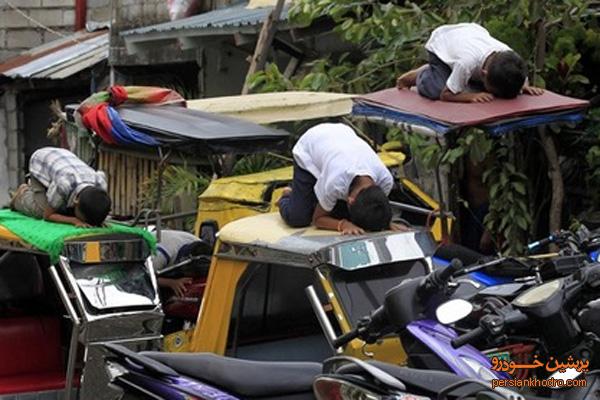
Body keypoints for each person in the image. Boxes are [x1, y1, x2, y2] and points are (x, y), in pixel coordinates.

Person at [278, 122, 406, 235]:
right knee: (298, 218)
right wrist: (343, 225)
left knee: (340, 212)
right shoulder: (335, 183)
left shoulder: (385, 180)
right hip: (309, 146)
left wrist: (384, 222)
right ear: (349, 200)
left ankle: (311, 196)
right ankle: (288, 195)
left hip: (340, 139)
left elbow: (377, 207)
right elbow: (318, 220)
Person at [396, 23, 544, 102]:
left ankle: (449, 76)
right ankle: (425, 73)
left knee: (479, 88)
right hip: (441, 46)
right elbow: (446, 95)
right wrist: (470, 97)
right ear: (484, 74)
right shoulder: (466, 63)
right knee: (438, 89)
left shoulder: (510, 57)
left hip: (470, 35)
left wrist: (524, 87)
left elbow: (518, 74)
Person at [10, 147, 111, 227]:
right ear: (76, 200)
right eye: (82, 218)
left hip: (61, 160)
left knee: (62, 209)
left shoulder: (100, 183)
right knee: (40, 211)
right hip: (40, 163)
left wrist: (97, 222)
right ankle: (21, 195)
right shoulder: (64, 184)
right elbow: (48, 216)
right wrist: (74, 220)